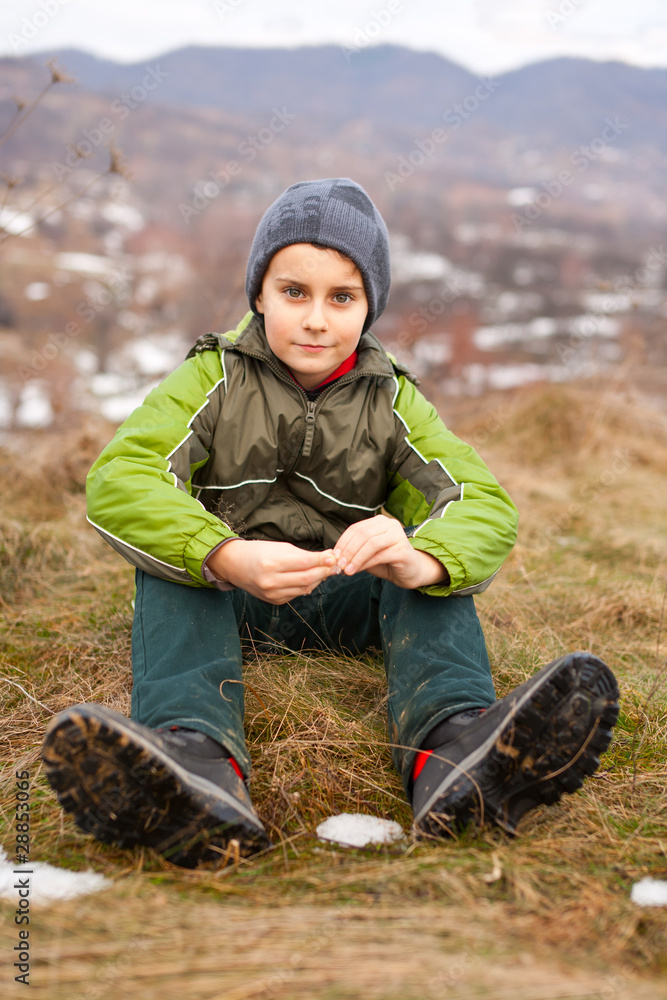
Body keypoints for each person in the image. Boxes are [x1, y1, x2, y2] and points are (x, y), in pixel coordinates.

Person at [42, 178, 619, 868]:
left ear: (369, 305)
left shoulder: (392, 397)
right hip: (229, 602)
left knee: (425, 574)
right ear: (258, 293)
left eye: (341, 298)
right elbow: (120, 479)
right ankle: (195, 767)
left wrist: (420, 557)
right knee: (170, 572)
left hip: (343, 597)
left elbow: (481, 502)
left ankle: (455, 752)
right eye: (294, 292)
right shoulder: (209, 378)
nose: (316, 320)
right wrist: (222, 553)